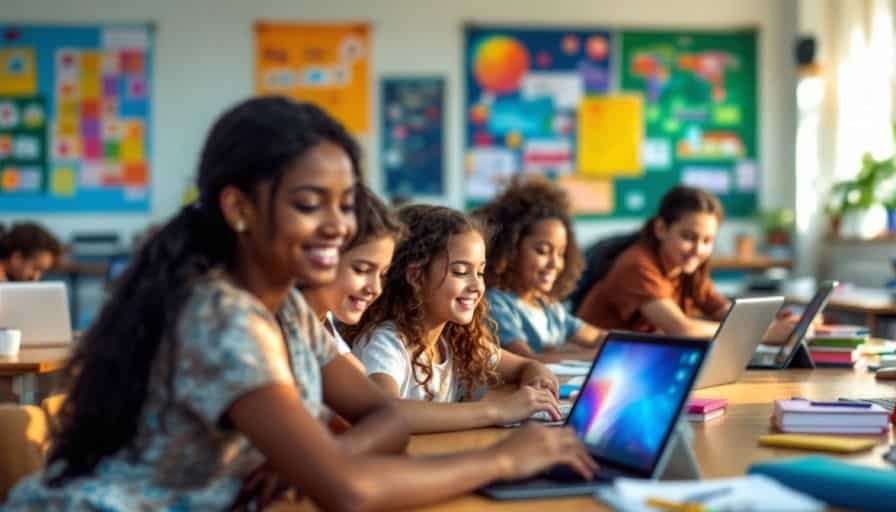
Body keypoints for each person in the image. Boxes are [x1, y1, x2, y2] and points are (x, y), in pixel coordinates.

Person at [5, 97, 595, 511]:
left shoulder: (286, 307)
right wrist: (506, 460)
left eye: (344, 204)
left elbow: (384, 416)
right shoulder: (219, 315)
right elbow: (349, 492)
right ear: (239, 209)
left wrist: (309, 458)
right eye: (310, 203)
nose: (338, 227)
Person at [352, 205, 569, 433]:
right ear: (416, 277)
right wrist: (498, 410)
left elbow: (526, 365)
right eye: (460, 272)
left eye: (480, 272)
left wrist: (537, 380)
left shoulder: (454, 341)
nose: (476, 286)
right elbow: (386, 412)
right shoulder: (384, 343)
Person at [576, 186, 796, 341]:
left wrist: (775, 323)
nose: (698, 250)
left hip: (641, 360)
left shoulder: (687, 267)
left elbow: (722, 311)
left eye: (707, 240)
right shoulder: (637, 265)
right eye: (688, 237)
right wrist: (763, 334)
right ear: (661, 229)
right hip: (589, 362)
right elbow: (682, 328)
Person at [473, 178, 604, 362]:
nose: (555, 263)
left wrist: (624, 344)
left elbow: (597, 337)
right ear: (510, 249)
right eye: (542, 251)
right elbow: (526, 360)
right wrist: (599, 355)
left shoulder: (547, 306)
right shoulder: (496, 303)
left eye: (561, 253)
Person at [299, 185, 403, 374]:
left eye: (383, 275)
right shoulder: (287, 329)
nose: (376, 288)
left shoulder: (323, 321)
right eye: (361, 269)